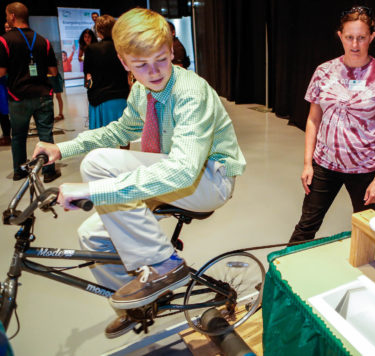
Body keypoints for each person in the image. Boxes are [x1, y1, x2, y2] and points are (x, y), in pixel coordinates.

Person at [33, 8, 246, 338]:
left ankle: (164, 265)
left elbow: (182, 171)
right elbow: (119, 130)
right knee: (91, 235)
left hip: (207, 181)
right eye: (141, 65)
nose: (155, 72)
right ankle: (141, 305)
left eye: (162, 59)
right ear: (124, 62)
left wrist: (94, 192)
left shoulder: (190, 91)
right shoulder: (141, 91)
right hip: (170, 175)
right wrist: (63, 148)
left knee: (97, 166)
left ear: (171, 49)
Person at [289, 6, 375, 243]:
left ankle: (365, 276)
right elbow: (313, 119)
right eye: (349, 37)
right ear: (340, 35)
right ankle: (279, 277)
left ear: (372, 37)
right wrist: (307, 163)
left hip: (364, 169)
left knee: (366, 231)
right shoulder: (323, 71)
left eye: (361, 38)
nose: (355, 44)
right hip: (325, 163)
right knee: (306, 226)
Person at [0, 2, 60, 182]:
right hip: (43, 95)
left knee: (18, 136)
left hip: (18, 96)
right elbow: (54, 72)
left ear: (12, 16)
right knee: (46, 135)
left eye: (6, 15)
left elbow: (1, 72)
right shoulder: (44, 41)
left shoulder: (4, 40)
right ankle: (49, 172)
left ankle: (20, 171)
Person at [84, 15, 129, 130]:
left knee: (100, 136)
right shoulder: (122, 48)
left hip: (99, 98)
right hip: (121, 96)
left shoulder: (91, 49)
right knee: (123, 133)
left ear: (98, 31)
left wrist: (88, 89)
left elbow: (88, 77)